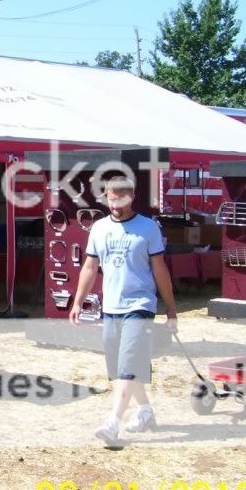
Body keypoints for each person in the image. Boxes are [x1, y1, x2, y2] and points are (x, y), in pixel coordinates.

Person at [70, 175, 178, 447]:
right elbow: (90, 267)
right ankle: (145, 410)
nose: (116, 202)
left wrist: (171, 310)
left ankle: (112, 423)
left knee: (129, 363)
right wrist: (77, 301)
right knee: (121, 368)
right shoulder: (99, 228)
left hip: (140, 305)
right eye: (111, 196)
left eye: (122, 196)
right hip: (111, 306)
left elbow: (159, 269)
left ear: (132, 197)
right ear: (105, 196)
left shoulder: (148, 228)